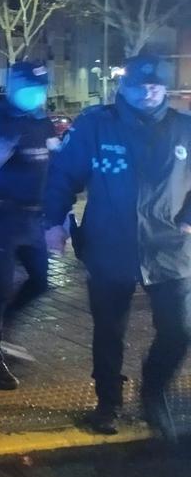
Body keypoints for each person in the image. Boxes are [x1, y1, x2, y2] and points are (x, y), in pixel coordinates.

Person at [44, 54, 191, 440]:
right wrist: (53, 222)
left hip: (169, 248)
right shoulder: (97, 124)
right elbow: (63, 174)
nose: (148, 93)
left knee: (180, 329)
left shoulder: (184, 129)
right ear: (122, 88)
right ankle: (108, 401)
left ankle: (154, 389)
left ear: (166, 89)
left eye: (156, 86)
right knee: (109, 331)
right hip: (109, 245)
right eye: (139, 86)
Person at [0, 61, 57, 390]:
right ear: (12, 84)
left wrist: (58, 217)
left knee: (41, 281)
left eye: (41, 88)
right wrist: (2, 145)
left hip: (32, 216)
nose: (36, 94)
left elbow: (52, 164)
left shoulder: (41, 121)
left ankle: (2, 324)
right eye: (30, 87)